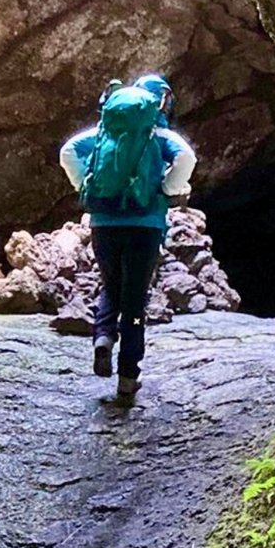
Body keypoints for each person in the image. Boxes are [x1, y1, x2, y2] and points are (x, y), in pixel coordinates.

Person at [59, 73, 197, 403]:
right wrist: (167, 189)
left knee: (110, 285)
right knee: (134, 300)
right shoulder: (160, 134)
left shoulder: (105, 131)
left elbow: (67, 151)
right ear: (161, 101)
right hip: (145, 226)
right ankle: (127, 378)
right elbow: (187, 159)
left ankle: (103, 337)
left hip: (104, 224)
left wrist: (85, 187)